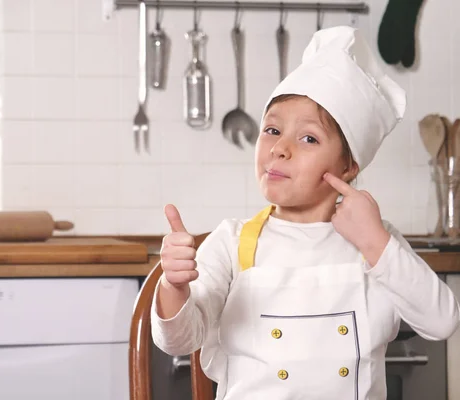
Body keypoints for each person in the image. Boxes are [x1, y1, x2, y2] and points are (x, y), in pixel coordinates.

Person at [151, 26, 460, 400]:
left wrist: (376, 242)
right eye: (272, 129)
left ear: (349, 166)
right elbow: (180, 339)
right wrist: (174, 286)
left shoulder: (375, 243)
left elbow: (442, 321)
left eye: (308, 138)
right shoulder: (233, 242)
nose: (280, 148)